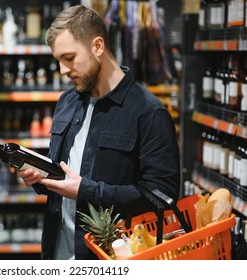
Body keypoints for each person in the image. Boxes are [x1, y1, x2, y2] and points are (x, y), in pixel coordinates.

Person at [15, 5, 180, 260]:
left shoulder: (149, 113)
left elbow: (162, 196)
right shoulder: (66, 102)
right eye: (58, 61)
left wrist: (86, 191)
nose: (62, 70)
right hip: (55, 253)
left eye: (69, 58)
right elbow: (64, 177)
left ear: (98, 46)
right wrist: (41, 176)